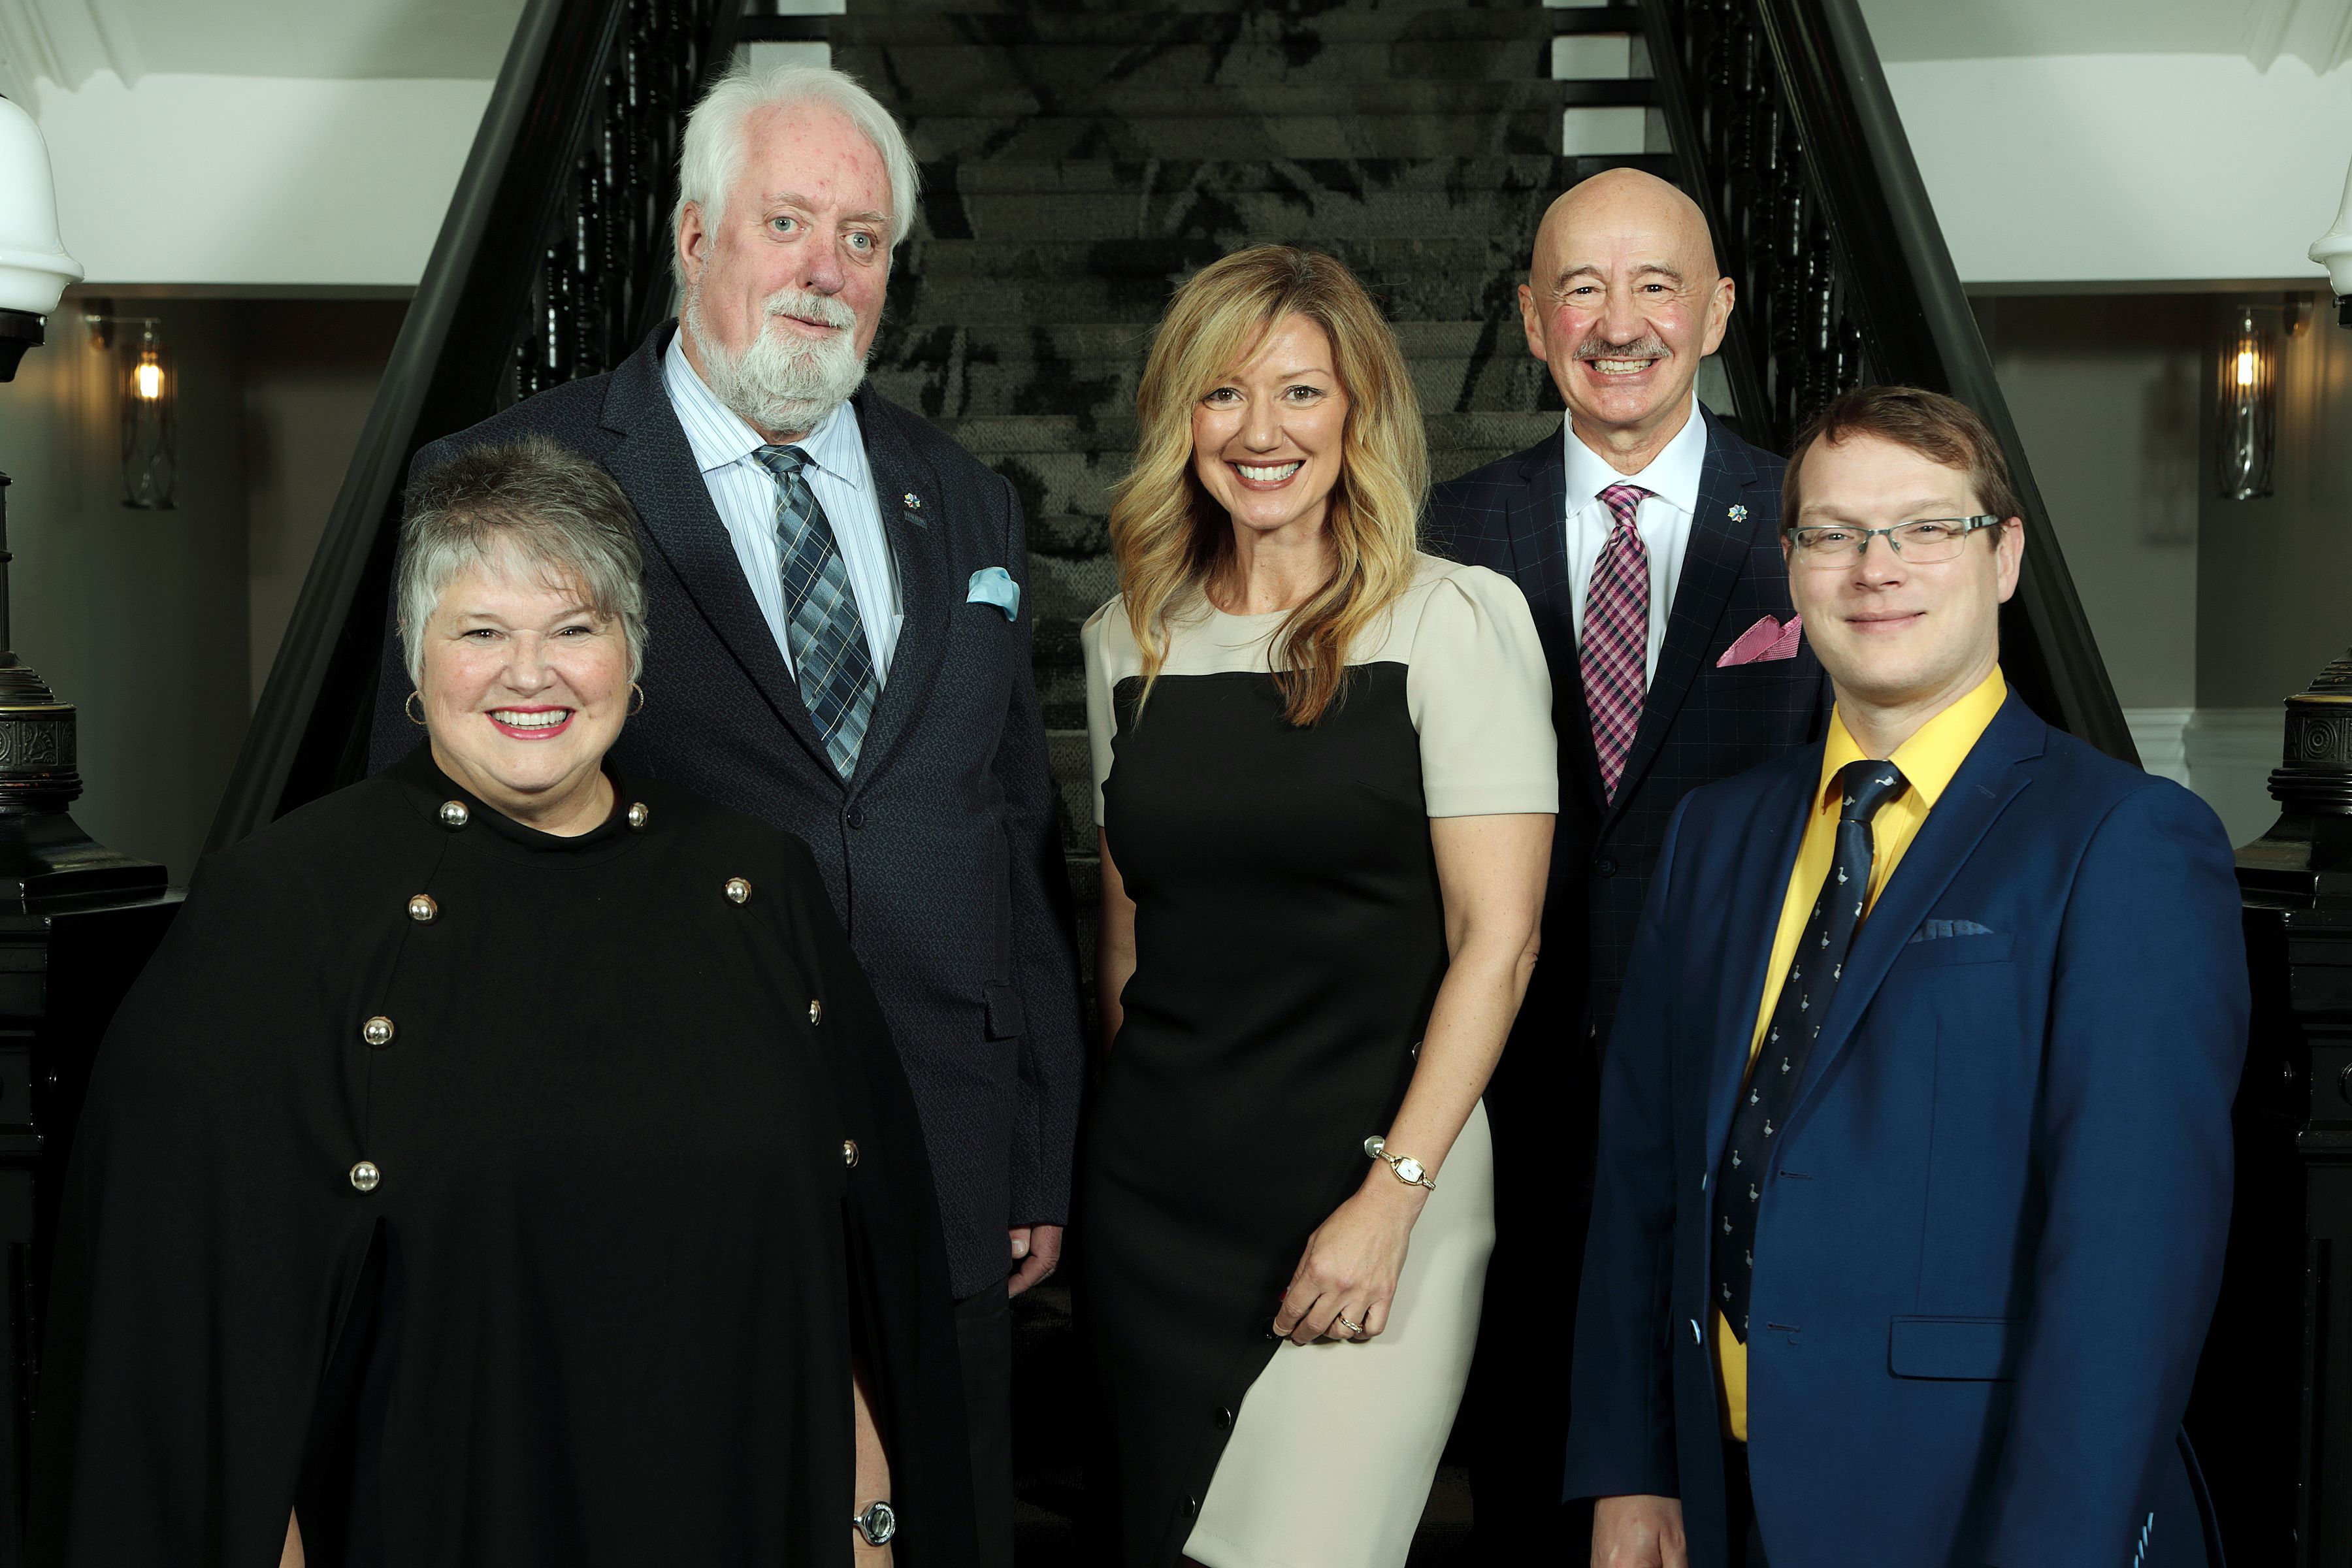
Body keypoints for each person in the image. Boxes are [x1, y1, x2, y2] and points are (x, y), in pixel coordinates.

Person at [364, 64, 1083, 1561]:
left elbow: (1015, 834)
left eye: (866, 238)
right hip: (647, 1151)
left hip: (940, 1151)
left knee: (936, 1532)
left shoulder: (965, 499)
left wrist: (1030, 1141)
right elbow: (417, 845)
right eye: (788, 223)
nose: (827, 271)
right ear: (694, 236)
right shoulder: (514, 478)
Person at [33, 438, 975, 1567]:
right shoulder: (282, 909)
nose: (532, 675)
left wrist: (871, 1525)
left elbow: (862, 1272)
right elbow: (183, 1346)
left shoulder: (757, 885)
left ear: (635, 657)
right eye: (481, 633)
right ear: (416, 659)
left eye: (576, 628)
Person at [1569, 385, 2247, 1567]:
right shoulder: (1714, 835)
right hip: (1716, 1502)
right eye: (1833, 533)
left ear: (2004, 558)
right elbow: (1642, 1174)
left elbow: (2131, 1263)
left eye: (1929, 528)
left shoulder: (2126, 842)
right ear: (1792, 568)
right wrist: (1635, 1465)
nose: (1876, 568)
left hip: (1973, 1506)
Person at [1077, 245, 1556, 1568]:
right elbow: (1127, 937)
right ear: (1181, 419)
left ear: (1358, 416)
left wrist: (1392, 1197)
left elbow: (1498, 945)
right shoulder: (1128, 638)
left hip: (1378, 1183)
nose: (1261, 431)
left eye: (1300, 392)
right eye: (1223, 395)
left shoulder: (1457, 621)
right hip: (1161, 1201)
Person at [1423, 167, 1829, 1556]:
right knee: (1527, 1483)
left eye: (1656, 284)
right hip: (1505, 1097)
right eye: (1580, 289)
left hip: (1746, 1087)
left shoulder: (1814, 531)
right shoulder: (1443, 534)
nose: (1619, 321)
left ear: (1717, 311)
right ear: (1532, 322)